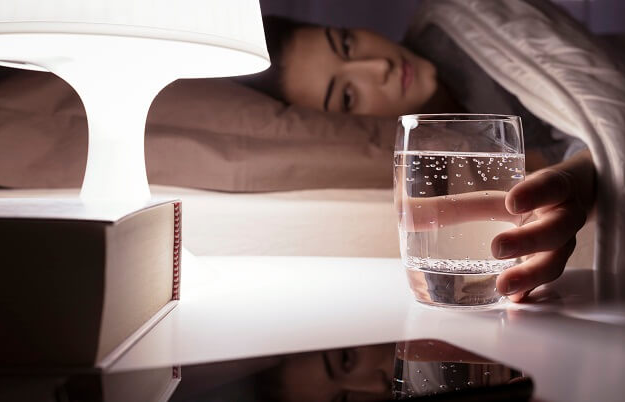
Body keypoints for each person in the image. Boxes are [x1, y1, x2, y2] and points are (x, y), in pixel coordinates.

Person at [235, 15, 596, 302]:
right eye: (347, 95)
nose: (378, 67)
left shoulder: (461, 25)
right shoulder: (428, 155)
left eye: (346, 43)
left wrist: (582, 174)